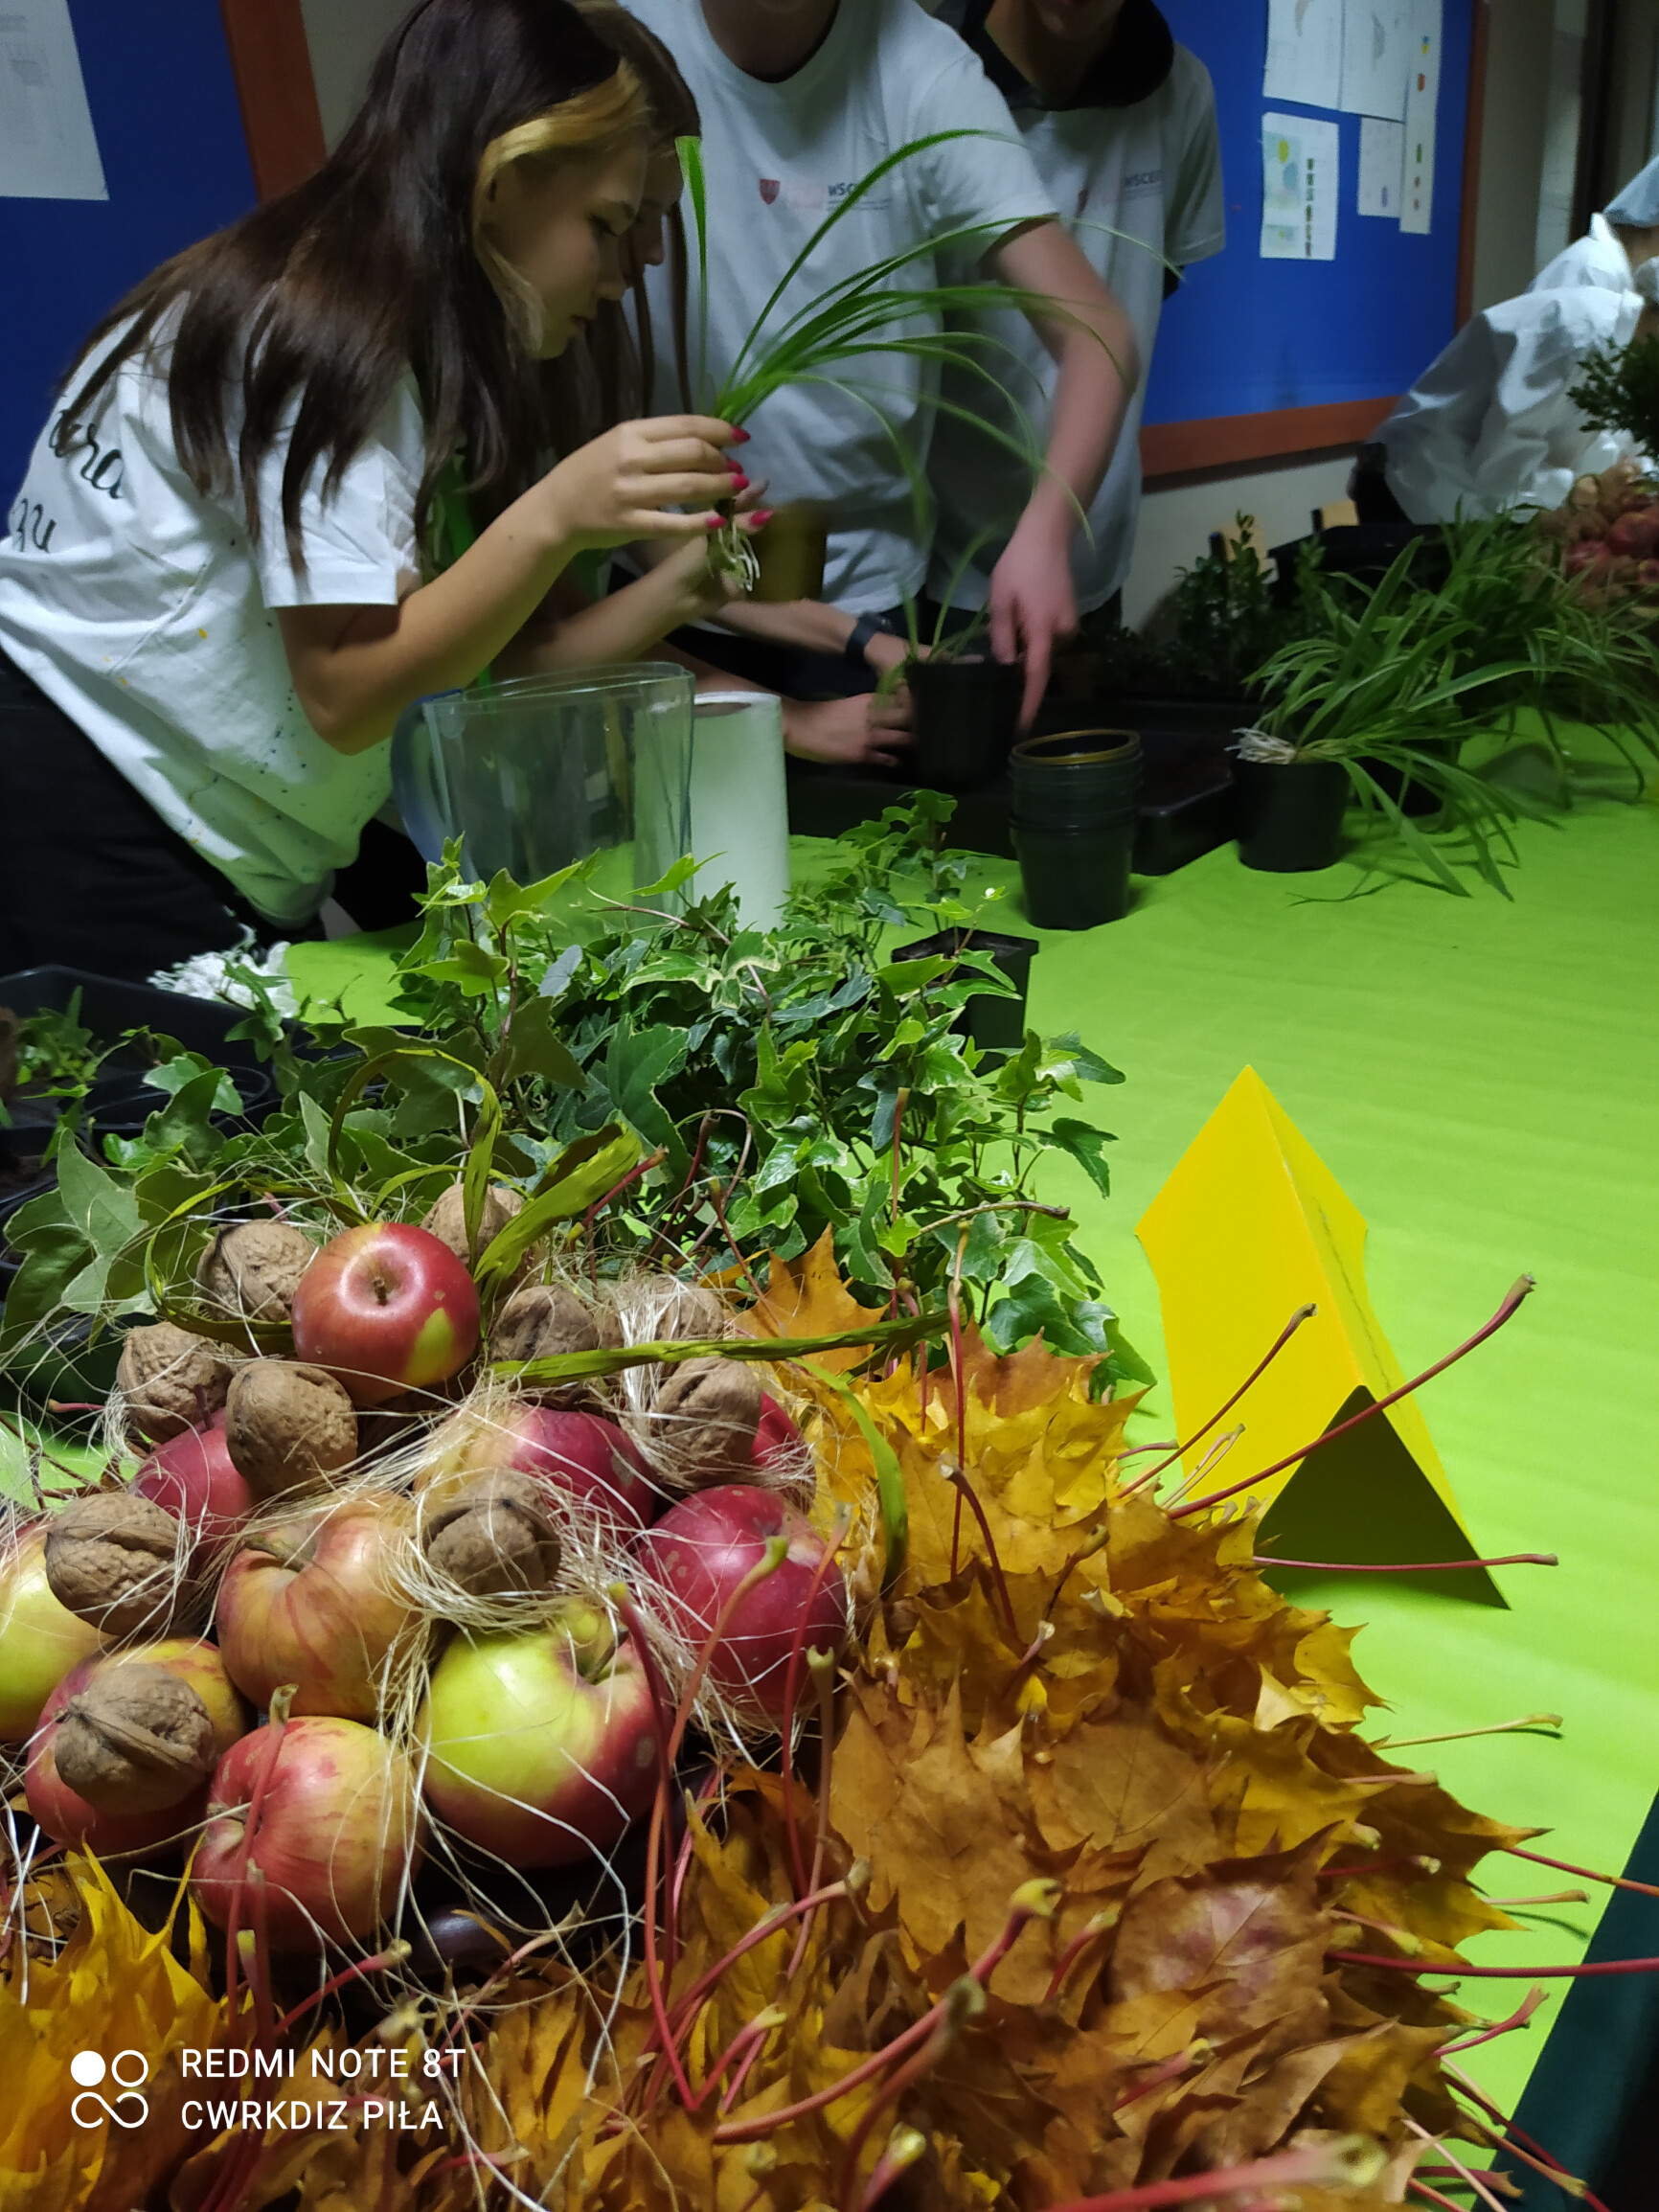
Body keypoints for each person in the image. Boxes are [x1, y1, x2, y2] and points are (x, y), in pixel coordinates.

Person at [0, 0, 745, 979]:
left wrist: (675, 583)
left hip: (172, 823)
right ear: (501, 182)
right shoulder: (321, 332)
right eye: (608, 224)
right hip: (90, 809)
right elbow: (348, 693)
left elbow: (469, 661)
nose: (626, 273)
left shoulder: (380, 330)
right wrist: (558, 512)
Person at [622, 0, 1141, 722]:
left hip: (862, 600)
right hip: (652, 582)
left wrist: (1046, 529)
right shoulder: (623, 40)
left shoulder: (923, 71)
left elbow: (1098, 333)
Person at [926, 0, 1223, 640]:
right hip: (939, 556)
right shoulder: (929, 73)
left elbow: (1143, 292)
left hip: (1093, 553)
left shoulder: (1180, 91)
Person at [1353, 156, 1659, 527]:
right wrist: (1576, 492)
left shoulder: (1616, 338)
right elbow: (1502, 464)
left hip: (1468, 500)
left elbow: (1577, 430)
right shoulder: (1580, 327)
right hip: (1418, 490)